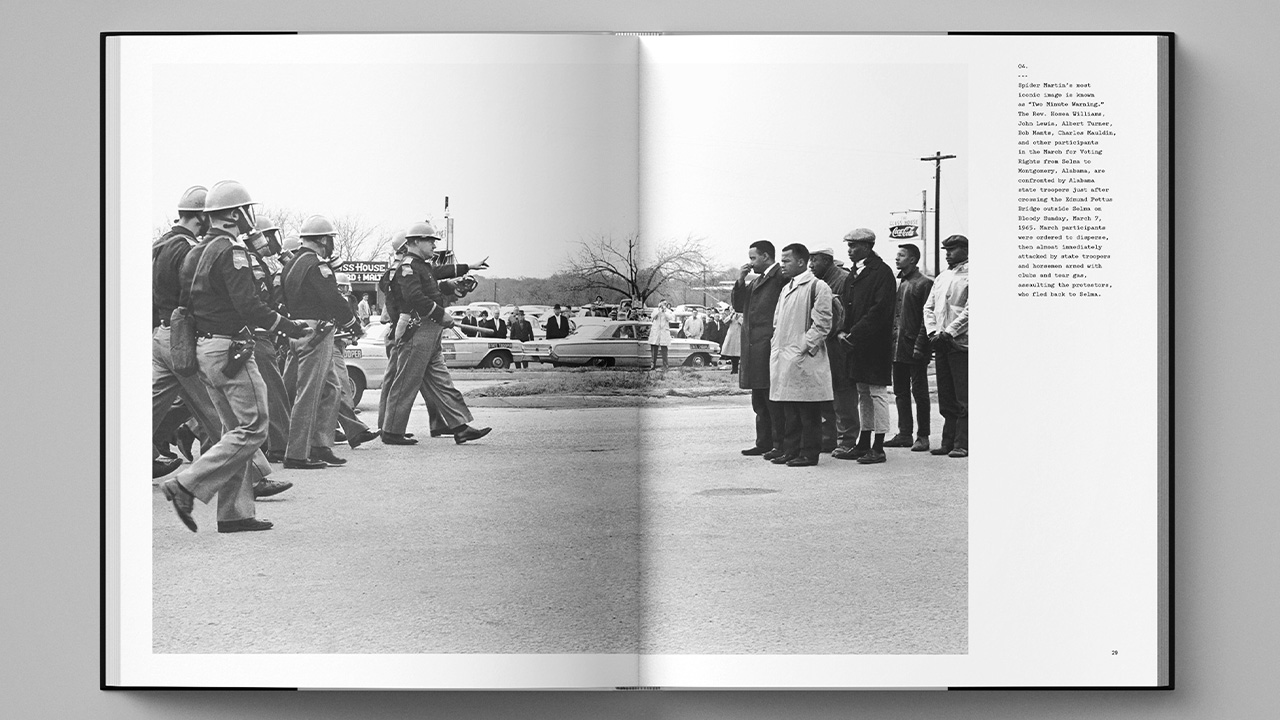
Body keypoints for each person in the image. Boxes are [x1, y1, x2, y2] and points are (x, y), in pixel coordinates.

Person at [157, 180, 311, 533]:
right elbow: (249, 305)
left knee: (233, 430)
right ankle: (185, 484)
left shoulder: (196, 250)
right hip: (231, 349)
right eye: (246, 211)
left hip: (204, 348)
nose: (249, 218)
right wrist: (288, 326)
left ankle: (235, 513)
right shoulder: (231, 251)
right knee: (253, 428)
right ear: (235, 214)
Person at [381, 221, 492, 445]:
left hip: (429, 331)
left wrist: (468, 267)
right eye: (430, 241)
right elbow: (415, 298)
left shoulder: (422, 265)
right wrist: (441, 314)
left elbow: (439, 273)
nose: (434, 245)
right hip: (417, 329)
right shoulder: (407, 266)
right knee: (406, 382)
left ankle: (460, 427)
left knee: (442, 382)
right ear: (414, 242)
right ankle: (391, 432)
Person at [280, 214, 363, 469]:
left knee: (331, 389)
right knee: (309, 393)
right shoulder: (317, 265)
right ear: (324, 240)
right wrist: (352, 323)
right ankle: (296, 453)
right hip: (317, 332)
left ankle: (320, 445)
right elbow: (333, 300)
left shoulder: (290, 265)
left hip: (297, 329)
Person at [150, 185, 223, 470]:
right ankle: (252, 475)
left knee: (148, 407)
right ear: (201, 217)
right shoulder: (187, 250)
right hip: (182, 337)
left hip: (161, 334)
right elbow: (195, 298)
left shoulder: (160, 245)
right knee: (218, 407)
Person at [768, 244, 834, 467]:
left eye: (786, 261)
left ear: (801, 262)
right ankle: (791, 449)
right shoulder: (787, 288)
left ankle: (809, 453)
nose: (782, 265)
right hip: (784, 355)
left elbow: (823, 323)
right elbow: (778, 322)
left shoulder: (817, 286)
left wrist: (802, 347)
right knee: (790, 408)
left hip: (803, 357)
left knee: (808, 409)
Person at [834, 228, 896, 465]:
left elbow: (880, 311)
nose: (849, 250)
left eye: (854, 246)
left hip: (874, 343)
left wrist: (853, 333)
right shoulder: (854, 274)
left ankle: (878, 446)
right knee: (863, 393)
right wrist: (842, 330)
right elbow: (848, 307)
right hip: (856, 343)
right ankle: (864, 441)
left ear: (868, 246)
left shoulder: (881, 272)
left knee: (877, 393)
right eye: (848, 246)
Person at [731, 239, 787, 457]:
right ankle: (763, 442)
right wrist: (740, 280)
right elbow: (738, 305)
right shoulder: (757, 281)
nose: (751, 263)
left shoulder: (780, 278)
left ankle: (778, 443)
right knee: (759, 399)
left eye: (753, 258)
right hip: (755, 347)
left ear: (766, 256)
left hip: (769, 344)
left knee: (772, 398)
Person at [885, 243, 935, 452]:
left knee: (920, 392)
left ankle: (922, 435)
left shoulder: (924, 283)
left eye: (901, 255)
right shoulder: (900, 283)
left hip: (915, 346)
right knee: (900, 392)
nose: (897, 259)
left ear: (913, 259)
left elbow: (928, 317)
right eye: (897, 255)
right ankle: (904, 433)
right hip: (897, 346)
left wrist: (921, 345)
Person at [924, 234, 969, 458]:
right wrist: (933, 332)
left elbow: (971, 310)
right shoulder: (942, 277)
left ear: (965, 250)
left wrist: (950, 332)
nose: (948, 254)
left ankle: (963, 442)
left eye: (953, 249)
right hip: (941, 342)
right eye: (946, 250)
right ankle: (948, 440)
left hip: (961, 343)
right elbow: (929, 307)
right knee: (946, 395)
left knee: (963, 396)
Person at [809, 247, 856, 454]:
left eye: (815, 260)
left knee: (842, 392)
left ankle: (846, 439)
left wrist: (842, 332)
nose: (811, 265)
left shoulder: (844, 280)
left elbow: (849, 312)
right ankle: (829, 437)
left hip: (839, 344)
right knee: (826, 391)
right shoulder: (818, 283)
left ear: (827, 260)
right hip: (824, 343)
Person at [648, 300, 675, 371]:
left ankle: (665, 365)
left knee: (664, 350)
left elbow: (671, 318)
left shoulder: (668, 311)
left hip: (664, 333)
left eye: (665, 304)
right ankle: (653, 364)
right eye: (663, 303)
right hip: (656, 332)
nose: (664, 305)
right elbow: (652, 316)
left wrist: (664, 311)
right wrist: (659, 310)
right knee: (654, 349)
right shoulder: (655, 310)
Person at [719, 307, 743, 374]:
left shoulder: (742, 314)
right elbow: (725, 322)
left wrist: (739, 319)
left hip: (739, 335)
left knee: (739, 353)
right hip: (731, 335)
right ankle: (734, 369)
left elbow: (745, 324)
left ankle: (739, 369)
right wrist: (731, 315)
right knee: (732, 354)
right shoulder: (732, 314)